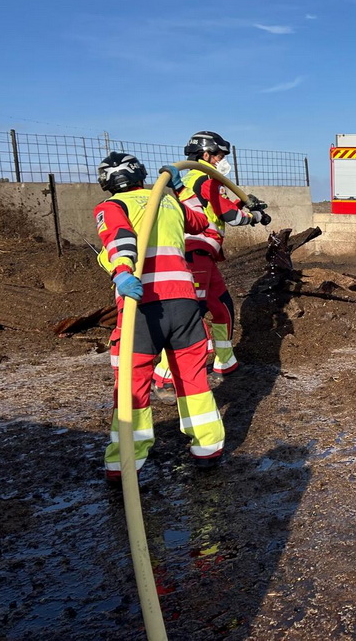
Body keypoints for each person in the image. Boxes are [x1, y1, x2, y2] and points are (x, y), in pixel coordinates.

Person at [94, 152, 225, 480]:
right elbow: (201, 222)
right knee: (193, 379)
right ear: (140, 175)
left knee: (133, 384)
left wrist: (122, 273)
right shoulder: (168, 202)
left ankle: (123, 463)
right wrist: (181, 189)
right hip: (184, 304)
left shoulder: (112, 207)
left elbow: (120, 239)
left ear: (106, 183)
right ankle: (207, 449)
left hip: (143, 308)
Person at [152, 131, 271, 398]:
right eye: (219, 155)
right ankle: (164, 378)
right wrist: (253, 216)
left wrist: (243, 202)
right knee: (190, 313)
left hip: (204, 253)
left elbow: (216, 204)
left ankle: (225, 362)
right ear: (205, 155)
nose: (221, 161)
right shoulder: (204, 177)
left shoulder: (194, 178)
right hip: (194, 251)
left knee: (222, 305)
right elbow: (227, 213)